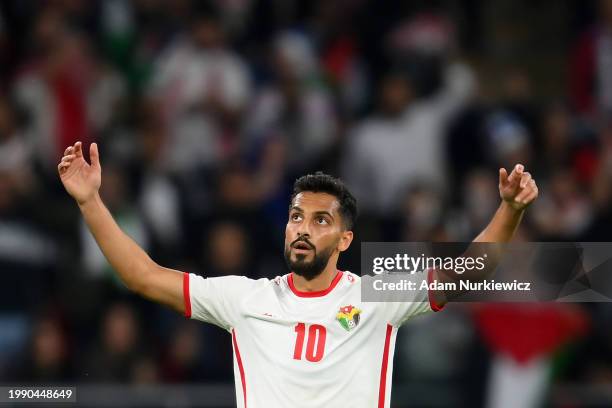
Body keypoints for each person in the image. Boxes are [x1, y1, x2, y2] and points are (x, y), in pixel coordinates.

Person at [57, 141, 539, 407]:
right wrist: (90, 201)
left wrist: (510, 211)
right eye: (296, 217)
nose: (303, 230)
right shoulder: (244, 299)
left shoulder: (378, 296)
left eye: (320, 220)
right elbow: (142, 275)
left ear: (346, 240)